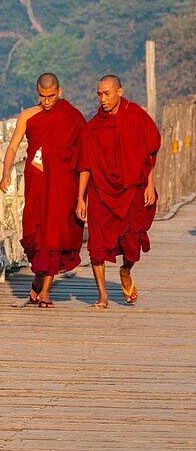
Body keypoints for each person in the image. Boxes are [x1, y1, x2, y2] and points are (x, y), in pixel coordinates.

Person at [0, 73, 86, 308]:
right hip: (36, 180)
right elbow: (13, 145)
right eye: (43, 97)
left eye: (51, 96)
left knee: (54, 232)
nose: (47, 101)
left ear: (60, 92)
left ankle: (46, 292)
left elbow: (85, 148)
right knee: (34, 231)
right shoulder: (28, 115)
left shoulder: (71, 116)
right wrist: (6, 172)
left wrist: (81, 193)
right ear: (37, 93)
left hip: (63, 182)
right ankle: (39, 277)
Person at [76, 75, 160, 309]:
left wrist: (150, 184)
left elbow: (149, 154)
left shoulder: (136, 116)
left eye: (107, 93)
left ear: (120, 92)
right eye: (99, 94)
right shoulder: (93, 126)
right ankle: (102, 296)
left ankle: (125, 271)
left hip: (132, 188)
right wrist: (80, 198)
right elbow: (86, 165)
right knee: (97, 245)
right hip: (101, 191)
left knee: (132, 245)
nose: (102, 99)